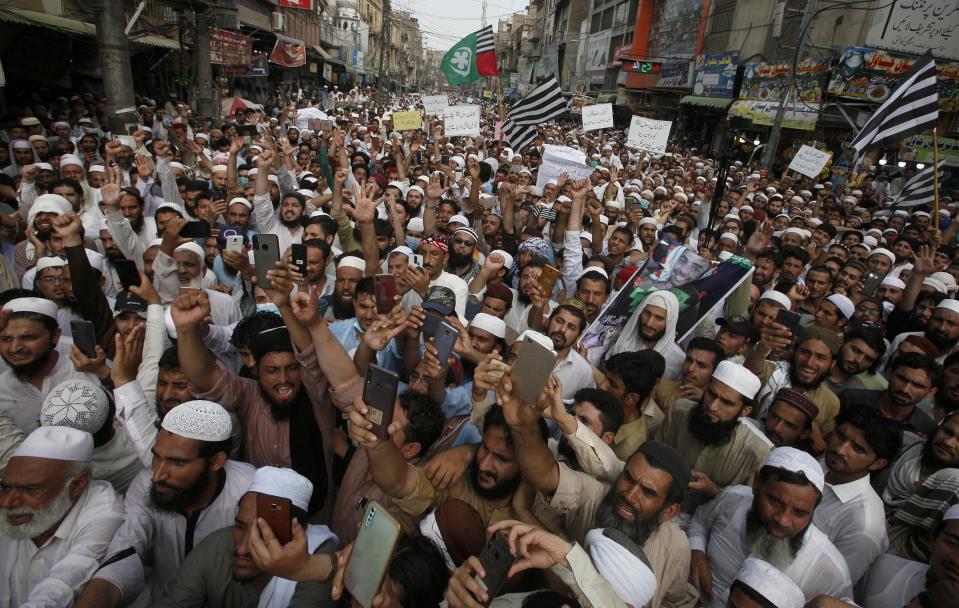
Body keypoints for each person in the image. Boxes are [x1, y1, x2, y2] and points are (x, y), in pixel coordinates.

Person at [72, 401, 255, 608]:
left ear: (216, 461)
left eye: (178, 463)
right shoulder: (145, 484)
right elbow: (126, 548)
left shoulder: (249, 489)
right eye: (156, 457)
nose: (158, 475)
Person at [687, 447, 853, 607]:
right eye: (775, 502)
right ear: (757, 484)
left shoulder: (828, 568)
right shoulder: (733, 499)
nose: (783, 520)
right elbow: (700, 521)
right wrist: (697, 551)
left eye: (799, 512)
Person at [153, 466, 337, 607]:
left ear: (296, 534)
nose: (241, 548)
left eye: (263, 533)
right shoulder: (217, 546)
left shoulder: (318, 561)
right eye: (240, 526)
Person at [0, 426, 124, 607]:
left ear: (77, 485)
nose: (8, 503)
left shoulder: (104, 511)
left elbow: (67, 578)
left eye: (30, 489)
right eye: (5, 487)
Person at [656, 360, 770, 510]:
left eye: (726, 402)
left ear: (745, 411)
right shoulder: (679, 412)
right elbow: (655, 456)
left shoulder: (755, 452)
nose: (713, 406)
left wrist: (714, 491)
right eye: (711, 394)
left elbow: (744, 509)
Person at [814, 406, 901, 584]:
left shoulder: (864, 525)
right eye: (840, 435)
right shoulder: (821, 464)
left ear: (878, 464)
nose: (840, 449)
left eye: (858, 448)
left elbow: (831, 586)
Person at [607, 290, 685, 380]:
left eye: (658, 318)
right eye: (647, 313)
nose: (649, 323)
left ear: (669, 323)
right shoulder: (623, 341)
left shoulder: (678, 362)